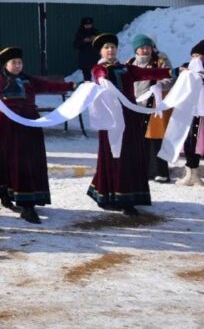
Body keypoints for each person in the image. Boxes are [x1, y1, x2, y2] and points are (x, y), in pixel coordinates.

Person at [0, 47, 75, 224]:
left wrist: (71, 86)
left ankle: (28, 199)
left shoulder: (28, 80)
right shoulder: (0, 79)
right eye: (13, 62)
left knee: (31, 162)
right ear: (6, 65)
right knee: (11, 161)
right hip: (10, 127)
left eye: (20, 62)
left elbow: (49, 86)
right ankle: (15, 199)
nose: (17, 65)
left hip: (31, 125)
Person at [87, 32, 173, 216]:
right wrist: (102, 78)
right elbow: (99, 74)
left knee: (130, 155)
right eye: (106, 47)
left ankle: (129, 196)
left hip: (130, 116)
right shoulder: (98, 69)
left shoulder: (126, 68)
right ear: (101, 51)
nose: (110, 50)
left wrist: (173, 71)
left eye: (113, 47)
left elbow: (148, 73)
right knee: (114, 155)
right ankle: (116, 196)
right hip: (112, 120)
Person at [128, 34, 174, 183]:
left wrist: (160, 85)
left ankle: (160, 171)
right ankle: (142, 170)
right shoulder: (130, 63)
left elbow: (170, 78)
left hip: (154, 106)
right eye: (142, 47)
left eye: (147, 47)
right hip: (135, 106)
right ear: (136, 49)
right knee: (138, 139)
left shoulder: (160, 61)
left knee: (155, 138)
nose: (145, 50)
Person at [176, 39, 204, 187]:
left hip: (202, 112)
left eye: (198, 55)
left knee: (199, 142)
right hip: (189, 111)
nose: (195, 59)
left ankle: (195, 175)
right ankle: (191, 174)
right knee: (189, 142)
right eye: (193, 55)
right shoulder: (186, 68)